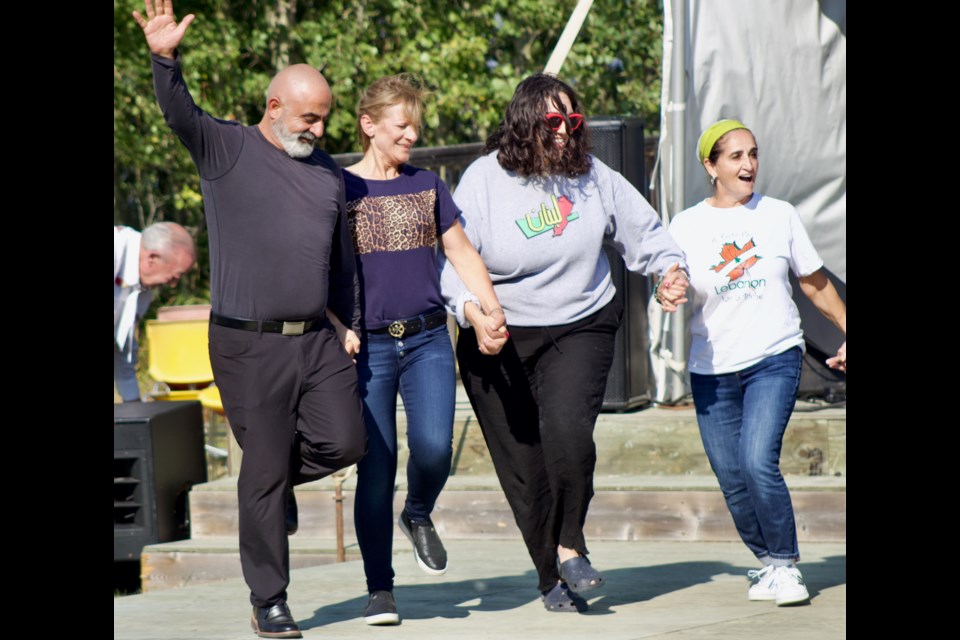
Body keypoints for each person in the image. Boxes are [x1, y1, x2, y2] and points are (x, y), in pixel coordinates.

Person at [133, 2, 367, 637]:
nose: (317, 129)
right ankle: (270, 599)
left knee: (348, 441)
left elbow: (342, 266)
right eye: (307, 117)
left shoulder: (329, 179)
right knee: (261, 471)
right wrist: (163, 59)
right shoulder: (227, 148)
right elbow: (178, 112)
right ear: (274, 108)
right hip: (246, 345)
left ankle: (269, 484)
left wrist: (349, 323)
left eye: (324, 118)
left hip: (316, 339)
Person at [440, 73, 689, 613]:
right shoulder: (483, 180)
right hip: (498, 333)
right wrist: (471, 313)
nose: (563, 132)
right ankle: (550, 576)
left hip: (581, 320)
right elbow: (453, 260)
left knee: (568, 436)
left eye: (572, 122)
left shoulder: (593, 176)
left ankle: (570, 543)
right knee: (525, 467)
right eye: (552, 122)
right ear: (524, 122)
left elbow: (644, 233)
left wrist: (670, 269)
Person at [324, 74, 506, 626]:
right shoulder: (338, 187)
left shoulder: (427, 184)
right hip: (369, 347)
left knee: (433, 449)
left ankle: (419, 511)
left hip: (427, 338)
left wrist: (490, 309)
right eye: (401, 126)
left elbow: (462, 253)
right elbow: (314, 265)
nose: (411, 136)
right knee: (375, 468)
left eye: (414, 127)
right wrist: (335, 324)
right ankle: (380, 587)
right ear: (369, 125)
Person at [667, 119, 847, 606]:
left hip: (774, 355)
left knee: (756, 459)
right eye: (735, 157)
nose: (748, 165)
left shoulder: (779, 215)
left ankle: (787, 566)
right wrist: (669, 288)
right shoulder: (685, 225)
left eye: (753, 154)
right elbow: (671, 278)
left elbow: (813, 283)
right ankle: (768, 561)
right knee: (731, 475)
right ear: (711, 166)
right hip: (712, 367)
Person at [114, 221, 196, 402]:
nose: (173, 284)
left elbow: (122, 347)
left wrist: (133, 405)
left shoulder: (142, 291)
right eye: (175, 276)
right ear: (152, 258)